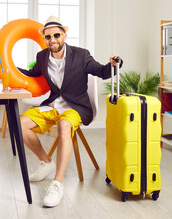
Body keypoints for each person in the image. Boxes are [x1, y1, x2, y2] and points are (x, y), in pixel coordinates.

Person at [18, 15, 122, 207]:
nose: (53, 40)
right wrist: (8, 69)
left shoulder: (81, 55)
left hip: (76, 107)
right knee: (20, 124)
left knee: (64, 125)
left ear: (64, 35)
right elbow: (31, 74)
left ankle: (57, 184)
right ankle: (45, 161)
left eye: (56, 35)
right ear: (44, 39)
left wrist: (114, 65)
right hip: (52, 105)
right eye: (48, 37)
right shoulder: (41, 57)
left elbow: (101, 71)